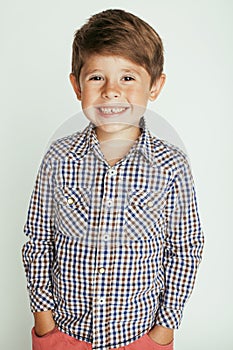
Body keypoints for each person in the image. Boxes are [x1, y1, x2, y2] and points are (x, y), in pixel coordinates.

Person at [22, 9, 204, 350]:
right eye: (96, 78)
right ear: (77, 86)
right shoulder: (58, 158)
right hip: (65, 334)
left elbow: (185, 249)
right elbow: (38, 240)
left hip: (138, 337)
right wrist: (45, 324)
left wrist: (163, 330)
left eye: (128, 78)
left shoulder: (171, 165)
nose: (111, 92)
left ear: (156, 86)